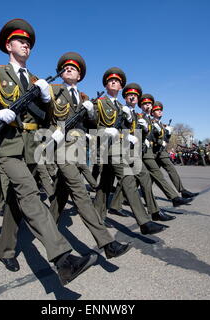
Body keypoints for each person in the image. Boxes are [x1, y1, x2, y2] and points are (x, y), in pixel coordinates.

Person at [0, 18, 97, 285]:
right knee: (30, 194)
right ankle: (63, 260)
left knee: (15, 200)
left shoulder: (36, 81)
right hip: (8, 146)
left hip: (32, 147)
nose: (26, 45)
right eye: (21, 41)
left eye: (29, 43)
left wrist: (46, 99)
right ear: (8, 45)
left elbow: (46, 117)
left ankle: (6, 250)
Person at [47, 52, 131, 258]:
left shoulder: (84, 99)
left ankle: (45, 226)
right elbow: (39, 112)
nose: (69, 69)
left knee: (61, 192)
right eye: (65, 67)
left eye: (73, 68)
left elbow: (93, 125)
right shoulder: (51, 90)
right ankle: (107, 243)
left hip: (78, 148)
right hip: (59, 147)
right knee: (80, 193)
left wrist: (91, 114)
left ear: (80, 76)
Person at [92, 68, 167, 235]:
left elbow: (127, 129)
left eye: (117, 81)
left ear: (120, 87)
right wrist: (105, 132)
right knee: (128, 179)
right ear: (105, 84)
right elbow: (91, 126)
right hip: (107, 147)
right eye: (111, 80)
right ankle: (144, 222)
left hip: (120, 148)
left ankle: (97, 217)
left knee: (104, 184)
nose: (114, 82)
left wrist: (130, 134)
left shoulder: (122, 107)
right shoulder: (99, 102)